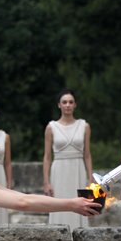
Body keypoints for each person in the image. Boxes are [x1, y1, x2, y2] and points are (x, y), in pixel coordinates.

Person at [43, 89, 93, 230]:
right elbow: (47, 157)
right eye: (64, 102)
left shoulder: (84, 126)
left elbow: (87, 155)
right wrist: (46, 182)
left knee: (81, 203)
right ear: (59, 105)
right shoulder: (51, 127)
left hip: (78, 169)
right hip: (59, 170)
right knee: (59, 203)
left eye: (71, 102)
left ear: (75, 105)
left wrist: (90, 179)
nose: (67, 105)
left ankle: (80, 239)